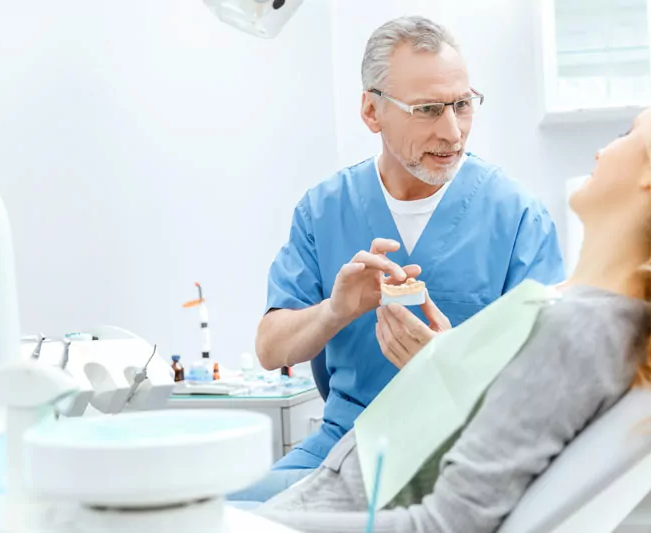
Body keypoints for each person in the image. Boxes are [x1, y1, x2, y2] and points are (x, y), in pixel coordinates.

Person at [251, 85, 651, 532]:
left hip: (343, 503)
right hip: (344, 482)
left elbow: (445, 523)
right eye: (427, 107)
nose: (605, 148)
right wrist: (448, 363)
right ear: (373, 111)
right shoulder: (598, 319)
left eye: (629, 134)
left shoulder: (578, 330)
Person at [229, 16, 566, 502]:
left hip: (460, 451)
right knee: (214, 508)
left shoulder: (515, 216)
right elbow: (270, 349)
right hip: (342, 446)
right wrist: (335, 311)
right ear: (372, 111)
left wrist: (450, 365)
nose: (452, 131)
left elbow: (550, 383)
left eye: (463, 105)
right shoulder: (324, 209)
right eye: (428, 109)